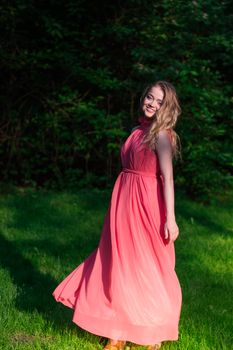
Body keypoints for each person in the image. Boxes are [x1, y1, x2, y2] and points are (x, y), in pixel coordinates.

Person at [52, 80, 182, 350]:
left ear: (166, 107)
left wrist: (170, 218)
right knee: (117, 262)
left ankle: (145, 333)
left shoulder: (161, 136)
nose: (152, 104)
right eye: (149, 97)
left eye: (159, 102)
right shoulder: (136, 131)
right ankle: (116, 329)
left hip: (147, 204)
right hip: (124, 201)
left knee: (143, 265)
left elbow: (168, 179)